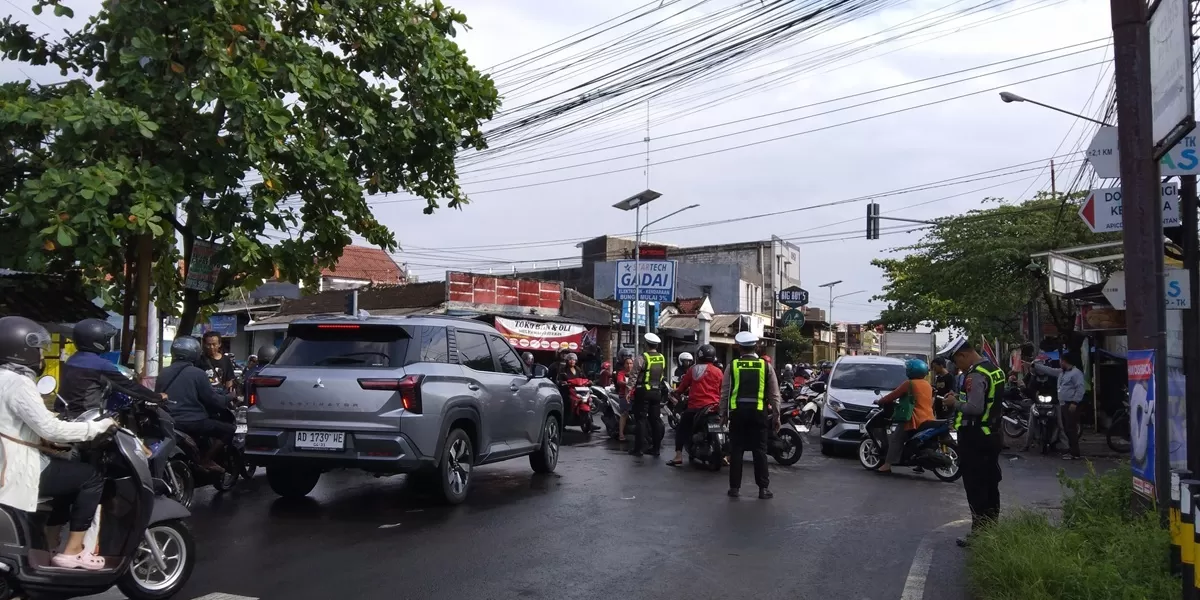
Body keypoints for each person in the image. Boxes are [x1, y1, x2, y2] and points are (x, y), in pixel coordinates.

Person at [0, 316, 115, 570]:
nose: (41, 356)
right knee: (90, 477)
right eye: (39, 350)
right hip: (16, 468)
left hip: (6, 461)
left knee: (68, 479)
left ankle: (50, 544)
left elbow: (22, 420)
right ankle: (74, 552)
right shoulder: (19, 382)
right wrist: (96, 427)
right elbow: (49, 428)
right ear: (23, 349)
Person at [938, 336, 1005, 547]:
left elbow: (975, 408)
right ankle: (991, 531)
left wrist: (953, 403)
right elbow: (986, 402)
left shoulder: (975, 375)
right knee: (990, 483)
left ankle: (979, 535)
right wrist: (958, 397)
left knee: (976, 486)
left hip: (976, 437)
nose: (957, 366)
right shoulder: (994, 370)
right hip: (992, 434)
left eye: (957, 361)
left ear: (963, 355)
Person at [57, 318, 165, 419]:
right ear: (96, 341)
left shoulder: (72, 360)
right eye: (106, 339)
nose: (107, 343)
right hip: (87, 417)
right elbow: (128, 387)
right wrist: (157, 397)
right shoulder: (100, 365)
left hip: (65, 415)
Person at [158, 336, 236, 472]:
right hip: (192, 421)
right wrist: (229, 397)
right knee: (229, 430)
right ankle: (206, 460)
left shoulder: (163, 372)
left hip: (168, 420)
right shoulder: (198, 373)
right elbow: (213, 400)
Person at [720, 331, 781, 499]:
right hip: (758, 413)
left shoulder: (732, 366)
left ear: (740, 348)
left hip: (737, 414)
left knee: (736, 450)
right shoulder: (765, 366)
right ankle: (763, 489)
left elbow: (725, 392)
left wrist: (723, 415)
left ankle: (734, 488)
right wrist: (776, 416)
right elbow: (774, 394)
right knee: (759, 451)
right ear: (756, 347)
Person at [874, 359, 935, 473]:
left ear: (911, 371)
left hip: (913, 418)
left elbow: (893, 395)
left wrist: (880, 401)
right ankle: (919, 464)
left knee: (896, 439)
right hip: (928, 418)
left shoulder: (909, 384)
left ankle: (887, 465)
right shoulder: (927, 384)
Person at [667, 344, 722, 467]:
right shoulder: (718, 371)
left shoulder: (693, 369)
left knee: (682, 428)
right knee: (724, 429)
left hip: (695, 407)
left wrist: (677, 392)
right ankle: (726, 457)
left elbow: (683, 386)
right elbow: (722, 388)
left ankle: (678, 455)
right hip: (714, 406)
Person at [1030, 352, 1085, 460]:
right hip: (1063, 404)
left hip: (1071, 404)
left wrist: (1075, 402)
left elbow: (1080, 389)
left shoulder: (1076, 373)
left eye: (1061, 361)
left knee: (1071, 429)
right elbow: (1049, 371)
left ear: (1064, 361)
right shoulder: (1062, 373)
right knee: (1066, 428)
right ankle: (1071, 451)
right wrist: (1035, 365)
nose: (1059, 363)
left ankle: (1075, 453)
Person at [630, 333, 667, 457]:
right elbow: (661, 375)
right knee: (655, 420)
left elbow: (633, 376)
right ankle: (655, 449)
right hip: (657, 392)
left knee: (641, 420)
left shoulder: (642, 358)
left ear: (646, 344)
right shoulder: (662, 357)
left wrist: (628, 391)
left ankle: (638, 449)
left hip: (643, 392)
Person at [198, 331, 236, 396]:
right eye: (208, 344)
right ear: (204, 344)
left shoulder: (226, 360)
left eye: (214, 344)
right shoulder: (199, 360)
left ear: (219, 344)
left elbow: (229, 381)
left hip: (220, 398)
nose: (211, 347)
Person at [614, 356, 635, 442]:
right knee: (624, 414)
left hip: (635, 396)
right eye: (627, 363)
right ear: (624, 365)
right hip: (624, 396)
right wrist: (627, 384)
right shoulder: (621, 373)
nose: (629, 365)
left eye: (631, 363)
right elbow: (619, 381)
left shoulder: (635, 373)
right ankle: (621, 433)